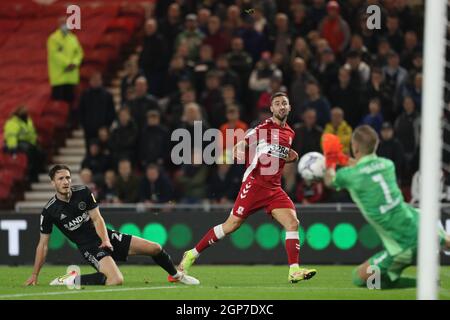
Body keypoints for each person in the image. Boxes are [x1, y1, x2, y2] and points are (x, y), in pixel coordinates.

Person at [176, 92, 317, 284]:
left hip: (274, 189)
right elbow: (245, 140)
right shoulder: (264, 127)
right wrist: (240, 147)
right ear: (272, 109)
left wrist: (291, 155)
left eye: (284, 103)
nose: (281, 106)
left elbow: (278, 153)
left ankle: (294, 270)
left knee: (293, 223)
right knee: (231, 225)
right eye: (277, 104)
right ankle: (192, 253)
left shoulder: (290, 133)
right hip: (255, 184)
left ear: (289, 107)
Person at [24, 164, 199, 287]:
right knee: (116, 280)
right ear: (52, 183)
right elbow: (43, 245)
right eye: (61, 178)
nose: (65, 181)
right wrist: (34, 274)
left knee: (154, 248)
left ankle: (176, 276)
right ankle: (71, 280)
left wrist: (106, 240)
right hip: (89, 247)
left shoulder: (83, 192)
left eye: (68, 177)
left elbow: (97, 219)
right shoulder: (49, 211)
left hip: (104, 236)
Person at [322, 126, 450, 288]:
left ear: (354, 147)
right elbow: (364, 167)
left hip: (402, 247)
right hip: (421, 224)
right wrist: (344, 158)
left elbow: (329, 181)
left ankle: (424, 284)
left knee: (363, 279)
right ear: (376, 145)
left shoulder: (350, 176)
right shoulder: (387, 164)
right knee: (444, 240)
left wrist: (330, 160)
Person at [47, 17, 83, 105]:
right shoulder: (53, 39)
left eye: (66, 23)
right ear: (58, 25)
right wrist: (68, 63)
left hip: (71, 78)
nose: (65, 26)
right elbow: (55, 54)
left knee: (71, 104)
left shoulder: (73, 38)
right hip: (59, 78)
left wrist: (75, 63)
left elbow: (79, 53)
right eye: (62, 23)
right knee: (58, 107)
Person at [3, 106, 44, 182]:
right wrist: (13, 147)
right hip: (17, 142)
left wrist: (35, 141)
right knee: (30, 151)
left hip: (28, 142)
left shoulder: (28, 121)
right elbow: (11, 136)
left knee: (40, 151)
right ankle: (30, 175)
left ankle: (38, 170)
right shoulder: (13, 122)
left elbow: (31, 133)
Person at [78, 72, 116, 149]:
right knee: (90, 151)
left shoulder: (107, 95)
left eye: (97, 79)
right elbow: (81, 112)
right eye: (94, 79)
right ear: (90, 81)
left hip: (103, 131)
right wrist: (84, 125)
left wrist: (106, 127)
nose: (96, 81)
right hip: (89, 131)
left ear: (101, 81)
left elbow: (111, 112)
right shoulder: (85, 95)